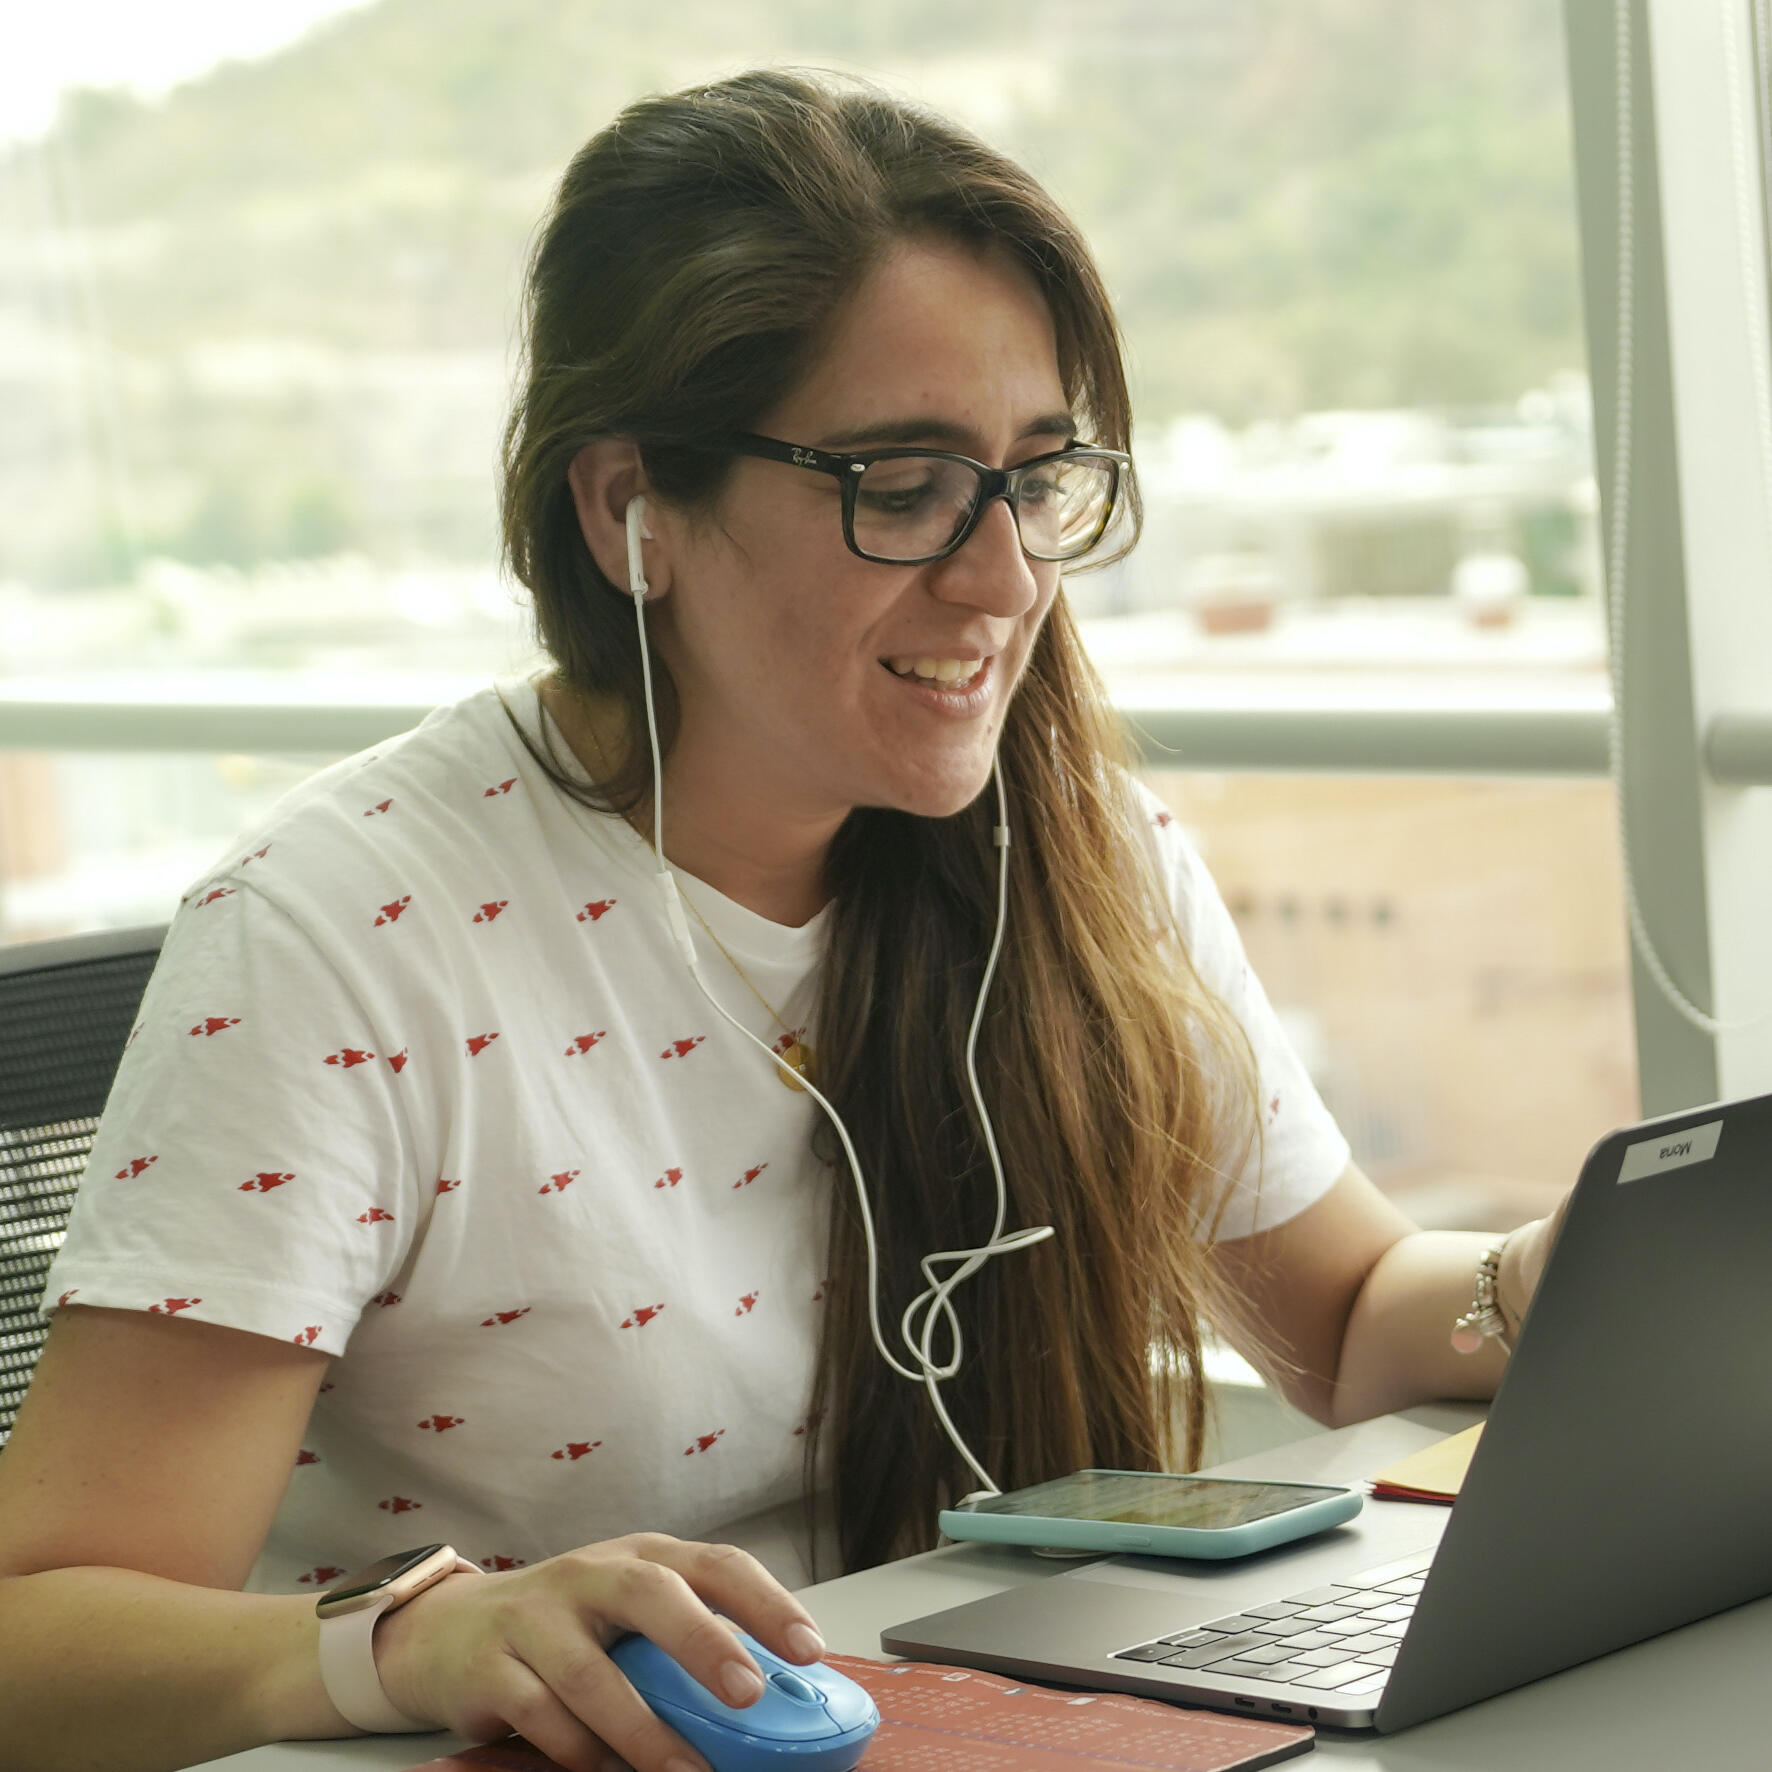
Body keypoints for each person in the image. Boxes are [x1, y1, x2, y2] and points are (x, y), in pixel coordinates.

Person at [0, 69, 1566, 1772]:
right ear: (631, 515)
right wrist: (417, 1633)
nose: (1004, 578)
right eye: (903, 483)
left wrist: (1541, 1287)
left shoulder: (1074, 848)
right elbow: (38, 1632)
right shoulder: (344, 935)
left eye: (1036, 480)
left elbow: (1345, 1323)